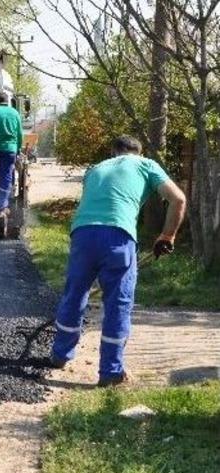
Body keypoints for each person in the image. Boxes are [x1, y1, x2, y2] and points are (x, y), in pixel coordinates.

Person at [49, 135, 187, 387]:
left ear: (114, 152)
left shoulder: (96, 169)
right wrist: (167, 235)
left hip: (82, 233)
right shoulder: (146, 165)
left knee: (75, 293)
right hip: (118, 236)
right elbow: (178, 199)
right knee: (118, 302)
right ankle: (111, 372)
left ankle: (59, 354)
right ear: (139, 152)